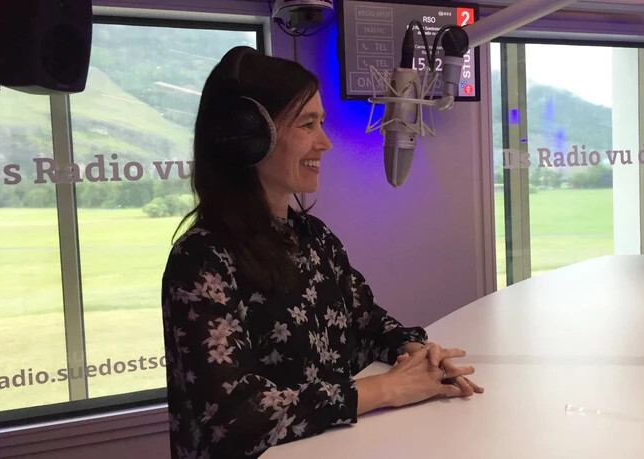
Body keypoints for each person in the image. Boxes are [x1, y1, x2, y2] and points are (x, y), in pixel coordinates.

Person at [160, 46, 483, 459]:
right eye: (307, 124)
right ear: (249, 136)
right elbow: (233, 418)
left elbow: (366, 325)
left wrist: (415, 352)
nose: (325, 143)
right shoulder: (201, 261)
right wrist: (383, 389)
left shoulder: (312, 236)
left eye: (322, 123)